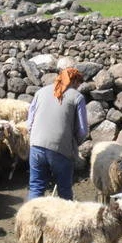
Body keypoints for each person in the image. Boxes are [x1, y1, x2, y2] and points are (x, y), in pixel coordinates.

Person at [25, 67, 88, 200]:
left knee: (36, 186)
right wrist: (72, 143)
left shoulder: (40, 92)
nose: (78, 86)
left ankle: (31, 219)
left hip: (36, 145)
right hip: (60, 149)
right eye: (78, 82)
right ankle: (64, 219)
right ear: (74, 80)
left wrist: (37, 137)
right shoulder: (77, 97)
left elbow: (29, 122)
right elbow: (82, 130)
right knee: (64, 189)